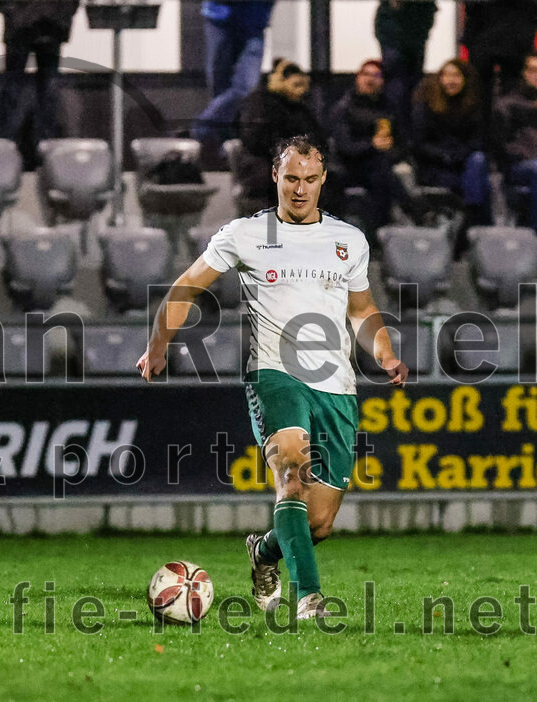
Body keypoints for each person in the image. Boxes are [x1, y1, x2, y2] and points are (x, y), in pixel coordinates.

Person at [137, 134, 408, 620]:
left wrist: (385, 354)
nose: (299, 190)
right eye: (291, 179)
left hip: (336, 386)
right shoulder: (244, 234)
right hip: (273, 374)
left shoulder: (349, 240)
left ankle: (263, 553)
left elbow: (363, 309)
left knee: (319, 523)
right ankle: (310, 599)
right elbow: (187, 286)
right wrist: (158, 346)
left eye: (309, 179)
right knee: (290, 478)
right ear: (275, 177)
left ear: (323, 179)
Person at [329, 59, 421, 237]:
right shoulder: (343, 108)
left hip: (379, 166)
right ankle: (412, 209)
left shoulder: (390, 108)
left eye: (376, 76)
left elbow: (404, 145)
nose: (370, 80)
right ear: (357, 78)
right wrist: (372, 146)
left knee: (383, 170)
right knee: (380, 168)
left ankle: (383, 231)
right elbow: (345, 147)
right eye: (366, 75)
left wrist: (389, 149)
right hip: (349, 167)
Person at [0, 0, 80, 166]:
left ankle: (46, 152)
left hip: (51, 28)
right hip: (20, 27)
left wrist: (59, 15)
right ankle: (6, 150)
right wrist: (15, 13)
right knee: (13, 92)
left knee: (48, 93)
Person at [410, 59, 491, 239]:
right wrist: (445, 155)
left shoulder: (474, 105)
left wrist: (459, 155)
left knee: (478, 162)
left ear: (464, 79)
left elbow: (478, 141)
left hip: (464, 163)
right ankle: (473, 221)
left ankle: (470, 216)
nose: (450, 80)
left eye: (456, 76)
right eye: (446, 75)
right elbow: (418, 143)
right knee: (478, 180)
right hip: (435, 165)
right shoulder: (425, 104)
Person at [235, 59, 324, 212]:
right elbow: (256, 140)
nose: (301, 91)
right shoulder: (260, 103)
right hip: (263, 163)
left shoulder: (302, 108)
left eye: (303, 86)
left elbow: (317, 138)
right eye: (296, 85)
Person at [190, 1, 275, 146]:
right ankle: (224, 144)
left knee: (247, 86)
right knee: (219, 86)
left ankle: (202, 127)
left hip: (254, 22)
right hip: (219, 18)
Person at [462, 0, 537, 134]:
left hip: (513, 37)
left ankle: (509, 142)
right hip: (487, 35)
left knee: (513, 97)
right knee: (478, 95)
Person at [374, 0, 436, 132]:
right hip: (397, 22)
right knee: (397, 85)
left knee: (412, 85)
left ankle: (408, 135)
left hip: (416, 20)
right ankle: (400, 134)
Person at [495, 52, 537, 232]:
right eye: (533, 70)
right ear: (523, 73)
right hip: (519, 166)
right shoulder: (508, 105)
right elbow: (502, 146)